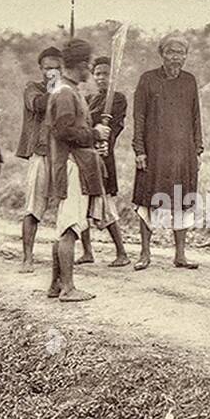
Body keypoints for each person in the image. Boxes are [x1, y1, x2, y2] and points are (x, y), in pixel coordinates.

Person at [45, 39, 111, 302]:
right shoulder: (64, 93)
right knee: (70, 227)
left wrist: (94, 139)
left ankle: (55, 284)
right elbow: (63, 131)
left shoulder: (69, 91)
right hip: (71, 166)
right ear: (82, 65)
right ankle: (69, 288)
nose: (89, 70)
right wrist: (93, 134)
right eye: (88, 65)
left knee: (65, 225)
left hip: (77, 164)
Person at [132, 33, 203, 270]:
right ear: (161, 54)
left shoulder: (190, 81)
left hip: (183, 152)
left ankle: (180, 254)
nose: (176, 57)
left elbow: (195, 117)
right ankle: (145, 253)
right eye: (171, 52)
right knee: (146, 200)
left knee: (183, 200)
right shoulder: (147, 80)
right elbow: (138, 117)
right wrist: (139, 150)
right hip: (154, 151)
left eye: (181, 52)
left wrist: (198, 149)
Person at [80, 55, 130, 266]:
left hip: (103, 156)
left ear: (113, 76)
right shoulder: (90, 99)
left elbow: (113, 126)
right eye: (98, 74)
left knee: (105, 204)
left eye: (106, 74)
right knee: (82, 204)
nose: (101, 78)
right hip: (86, 155)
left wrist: (103, 135)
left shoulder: (117, 98)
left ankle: (122, 253)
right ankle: (87, 251)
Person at [15, 46, 62, 272]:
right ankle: (27, 258)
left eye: (56, 68)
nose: (51, 72)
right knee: (34, 207)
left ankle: (83, 253)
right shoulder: (32, 88)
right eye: (47, 68)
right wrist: (54, 89)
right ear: (41, 69)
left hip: (62, 156)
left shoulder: (67, 90)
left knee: (70, 205)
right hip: (41, 154)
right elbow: (37, 104)